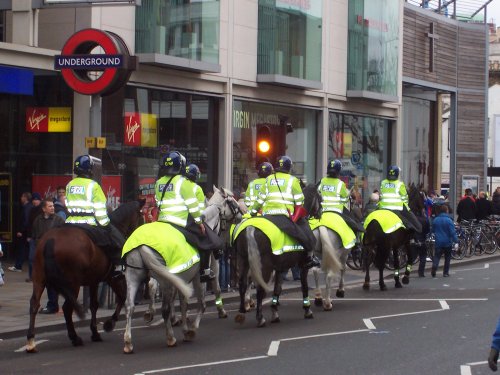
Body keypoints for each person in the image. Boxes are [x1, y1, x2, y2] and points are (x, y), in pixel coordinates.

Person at [156, 152, 222, 282]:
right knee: (206, 240)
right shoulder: (183, 182)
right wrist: (200, 223)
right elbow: (194, 208)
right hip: (180, 222)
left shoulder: (158, 183)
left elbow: (158, 203)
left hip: (162, 222)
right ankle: (204, 270)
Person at [249, 155, 319, 269]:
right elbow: (299, 202)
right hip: (284, 216)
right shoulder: (293, 180)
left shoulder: (269, 179)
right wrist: (296, 217)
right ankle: (308, 257)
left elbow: (259, 200)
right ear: (289, 168)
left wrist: (252, 212)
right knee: (306, 235)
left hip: (266, 215)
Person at [65, 155, 124, 276]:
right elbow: (100, 210)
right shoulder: (93, 185)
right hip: (89, 224)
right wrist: (105, 224)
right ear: (90, 169)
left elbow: (67, 203)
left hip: (70, 223)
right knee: (116, 239)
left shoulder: (69, 185)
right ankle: (118, 266)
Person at [32, 200, 65, 314]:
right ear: (43, 209)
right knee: (40, 280)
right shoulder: (38, 220)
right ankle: (36, 304)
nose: (52, 208)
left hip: (54, 255)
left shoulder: (58, 220)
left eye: (53, 206)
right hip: (41, 255)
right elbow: (35, 235)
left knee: (52, 281)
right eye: (49, 206)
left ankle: (53, 305)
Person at [318, 158, 364, 233]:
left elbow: (318, 194)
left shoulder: (322, 181)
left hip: (321, 211)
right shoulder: (340, 183)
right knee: (352, 224)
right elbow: (345, 200)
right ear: (338, 171)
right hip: (337, 211)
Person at [378, 165, 422, 233]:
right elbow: (405, 198)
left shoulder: (383, 183)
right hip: (397, 208)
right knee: (415, 224)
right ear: (397, 174)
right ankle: (416, 233)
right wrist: (406, 206)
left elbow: (381, 195)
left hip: (383, 207)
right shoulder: (400, 184)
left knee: (370, 216)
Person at [431, 204, 458, 278]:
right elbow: (452, 232)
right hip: (447, 242)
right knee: (447, 258)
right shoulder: (449, 220)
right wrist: (456, 241)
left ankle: (434, 266)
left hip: (438, 242)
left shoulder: (436, 220)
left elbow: (432, 230)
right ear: (446, 211)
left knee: (437, 256)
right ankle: (445, 273)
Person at [8, 192, 33, 273]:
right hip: (27, 232)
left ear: (25, 198)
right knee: (26, 249)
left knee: (21, 249)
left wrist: (21, 230)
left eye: (22, 196)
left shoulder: (26, 208)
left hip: (24, 232)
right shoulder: (28, 207)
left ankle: (18, 266)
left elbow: (26, 220)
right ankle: (19, 265)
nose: (21, 198)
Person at [26, 192, 43, 282]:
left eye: (37, 200)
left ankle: (40, 275)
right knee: (31, 257)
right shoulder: (31, 210)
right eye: (34, 200)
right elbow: (29, 224)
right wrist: (28, 236)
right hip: (33, 237)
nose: (35, 201)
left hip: (42, 237)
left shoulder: (42, 210)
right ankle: (32, 275)